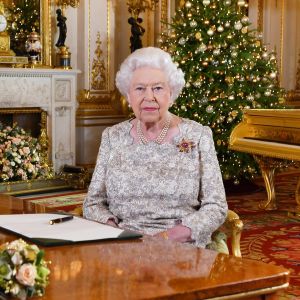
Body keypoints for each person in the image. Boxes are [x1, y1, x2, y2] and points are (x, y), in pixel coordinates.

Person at [83, 47, 228, 249]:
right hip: (124, 245)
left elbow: (216, 207)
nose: (149, 97)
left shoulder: (198, 135)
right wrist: (113, 230)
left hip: (181, 247)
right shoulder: (112, 136)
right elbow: (93, 203)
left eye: (158, 88)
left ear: (171, 93)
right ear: (128, 94)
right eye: (140, 88)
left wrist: (168, 238)